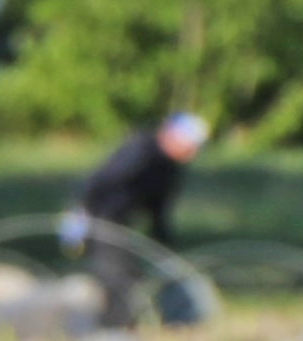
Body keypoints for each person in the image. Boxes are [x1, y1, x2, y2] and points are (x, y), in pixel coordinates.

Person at [63, 111, 209, 326]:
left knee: (131, 275)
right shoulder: (141, 152)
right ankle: (113, 330)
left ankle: (126, 326)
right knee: (116, 277)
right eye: (189, 145)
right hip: (101, 217)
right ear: (172, 136)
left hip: (119, 221)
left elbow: (158, 208)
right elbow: (100, 181)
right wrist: (81, 213)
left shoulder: (168, 167)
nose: (192, 152)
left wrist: (164, 242)